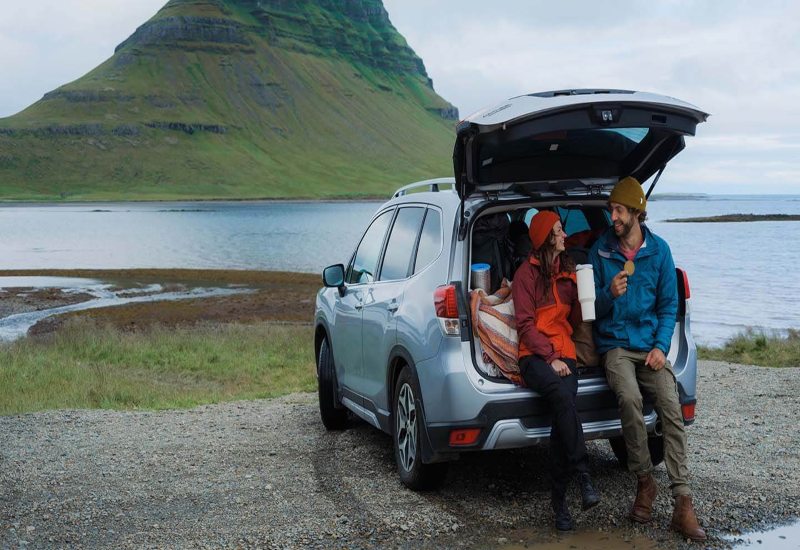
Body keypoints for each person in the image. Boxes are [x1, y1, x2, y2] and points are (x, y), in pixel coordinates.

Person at [588, 176, 706, 541]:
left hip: (649, 347)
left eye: (619, 210)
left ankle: (683, 503)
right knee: (629, 398)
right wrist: (608, 294)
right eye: (611, 210)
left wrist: (660, 346)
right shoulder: (601, 251)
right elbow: (588, 306)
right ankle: (644, 482)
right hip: (617, 346)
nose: (614, 217)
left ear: (637, 211)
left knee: (671, 403)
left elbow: (669, 305)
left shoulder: (660, 251)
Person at [512, 210, 600, 531]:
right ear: (547, 236)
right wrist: (550, 356)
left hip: (567, 354)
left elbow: (574, 323)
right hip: (534, 357)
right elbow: (524, 325)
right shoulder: (525, 276)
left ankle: (560, 505)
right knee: (564, 403)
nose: (565, 236)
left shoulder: (567, 271)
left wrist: (581, 298)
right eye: (560, 231)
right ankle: (584, 475)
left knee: (562, 418)